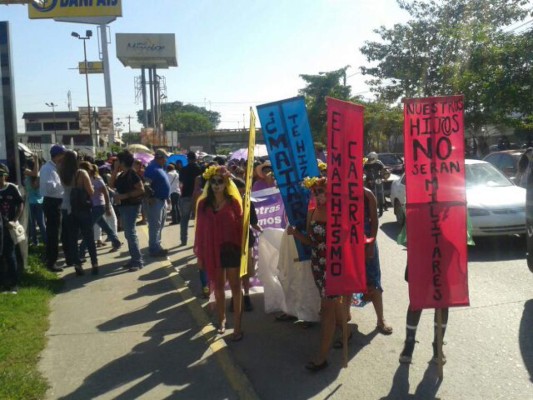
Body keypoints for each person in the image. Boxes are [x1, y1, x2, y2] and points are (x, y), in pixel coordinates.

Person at [287, 175, 351, 372]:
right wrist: (296, 234)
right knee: (332, 306)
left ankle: (322, 357)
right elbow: (313, 242)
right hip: (318, 264)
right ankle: (346, 332)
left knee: (327, 311)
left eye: (321, 190)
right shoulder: (312, 212)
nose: (317, 194)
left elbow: (348, 238)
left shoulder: (339, 212)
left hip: (335, 266)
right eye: (314, 191)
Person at [194, 165, 244, 341]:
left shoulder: (234, 203)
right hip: (212, 251)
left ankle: (238, 324)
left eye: (220, 181)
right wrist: (200, 256)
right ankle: (221, 320)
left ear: (226, 183)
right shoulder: (203, 205)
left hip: (231, 250)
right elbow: (199, 231)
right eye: (212, 181)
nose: (216, 185)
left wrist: (246, 256)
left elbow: (241, 229)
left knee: (236, 287)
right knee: (219, 288)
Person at [58, 150, 97, 276]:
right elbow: (91, 192)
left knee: (72, 239)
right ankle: (94, 264)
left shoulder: (61, 173)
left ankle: (77, 265)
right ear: (76, 160)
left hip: (67, 209)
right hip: (82, 209)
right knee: (88, 237)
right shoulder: (82, 173)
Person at [363, 183, 393, 335]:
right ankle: (344, 316)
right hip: (347, 245)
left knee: (373, 281)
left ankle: (380, 319)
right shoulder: (338, 194)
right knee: (347, 283)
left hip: (367, 242)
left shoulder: (367, 194)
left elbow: (374, 221)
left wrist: (370, 244)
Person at [109, 150, 145, 272]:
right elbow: (111, 184)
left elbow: (141, 190)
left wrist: (124, 196)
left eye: (117, 160)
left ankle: (137, 261)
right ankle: (134, 258)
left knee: (130, 233)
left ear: (122, 161)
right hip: (124, 207)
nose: (115, 162)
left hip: (131, 206)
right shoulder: (122, 174)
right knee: (128, 234)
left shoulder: (132, 174)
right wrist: (114, 170)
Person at [78, 162, 122, 259]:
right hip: (93, 207)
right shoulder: (86, 179)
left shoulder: (97, 179)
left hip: (99, 206)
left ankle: (81, 252)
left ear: (88, 170)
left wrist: (107, 207)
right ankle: (116, 242)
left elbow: (106, 193)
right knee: (104, 226)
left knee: (88, 229)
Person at [232, 177, 263, 312]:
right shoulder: (227, 203)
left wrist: (265, 232)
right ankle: (235, 298)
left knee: (245, 272)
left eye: (244, 193)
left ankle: (246, 296)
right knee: (234, 272)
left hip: (246, 241)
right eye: (239, 192)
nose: (242, 195)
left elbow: (254, 223)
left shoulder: (248, 202)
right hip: (230, 242)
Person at [40, 144, 66, 272]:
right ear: (58, 156)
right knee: (54, 233)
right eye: (62, 155)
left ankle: (50, 258)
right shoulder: (48, 169)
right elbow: (51, 188)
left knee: (55, 232)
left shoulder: (53, 168)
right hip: (52, 202)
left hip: (55, 202)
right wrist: (62, 183)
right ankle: (51, 261)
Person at [0, 163, 24, 294]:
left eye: (1, 175)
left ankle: (14, 284)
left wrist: (14, 220)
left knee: (10, 254)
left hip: (9, 228)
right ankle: (3, 284)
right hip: (0, 228)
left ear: (6, 176)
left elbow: (20, 203)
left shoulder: (12, 188)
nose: (0, 178)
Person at [144, 149, 171, 257]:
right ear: (160, 157)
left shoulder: (159, 167)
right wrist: (150, 197)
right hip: (155, 201)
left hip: (161, 200)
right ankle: (154, 249)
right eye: (165, 157)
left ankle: (157, 246)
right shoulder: (152, 168)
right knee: (155, 226)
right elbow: (146, 184)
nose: (166, 160)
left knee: (159, 225)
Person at [179, 151, 203, 246]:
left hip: (185, 195)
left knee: (184, 219)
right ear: (195, 158)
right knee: (198, 220)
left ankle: (183, 240)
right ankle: (198, 242)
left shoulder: (183, 169)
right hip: (198, 196)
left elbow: (181, 182)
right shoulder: (200, 169)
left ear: (187, 159)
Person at [24, 155, 46, 247]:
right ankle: (46, 241)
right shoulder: (40, 175)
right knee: (41, 223)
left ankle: (35, 242)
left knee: (32, 223)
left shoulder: (27, 175)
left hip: (30, 202)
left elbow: (31, 187)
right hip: (40, 201)